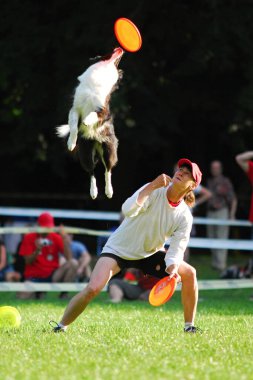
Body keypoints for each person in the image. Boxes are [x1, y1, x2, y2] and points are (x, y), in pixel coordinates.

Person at [50, 158, 203, 333]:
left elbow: (177, 249)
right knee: (93, 288)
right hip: (119, 249)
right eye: (181, 169)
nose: (181, 172)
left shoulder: (184, 216)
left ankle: (189, 326)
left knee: (190, 273)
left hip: (149, 253)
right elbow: (128, 209)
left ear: (192, 186)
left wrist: (173, 270)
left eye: (187, 173)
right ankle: (61, 326)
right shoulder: (154, 190)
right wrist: (152, 185)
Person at [18, 212, 78, 299]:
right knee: (21, 297)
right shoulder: (29, 237)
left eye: (48, 227)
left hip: (52, 275)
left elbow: (69, 258)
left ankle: (63, 295)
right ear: (38, 225)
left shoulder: (56, 237)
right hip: (34, 276)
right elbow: (28, 262)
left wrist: (64, 239)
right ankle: (38, 293)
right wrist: (37, 249)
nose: (46, 230)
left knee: (74, 263)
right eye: (44, 227)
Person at [206, 160, 237, 272]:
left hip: (221, 212)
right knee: (211, 237)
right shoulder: (209, 181)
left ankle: (221, 264)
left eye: (216, 167)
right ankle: (215, 263)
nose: (214, 170)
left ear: (220, 169)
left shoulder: (225, 181)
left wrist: (232, 215)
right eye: (213, 167)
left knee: (221, 237)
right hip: (210, 212)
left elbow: (233, 199)